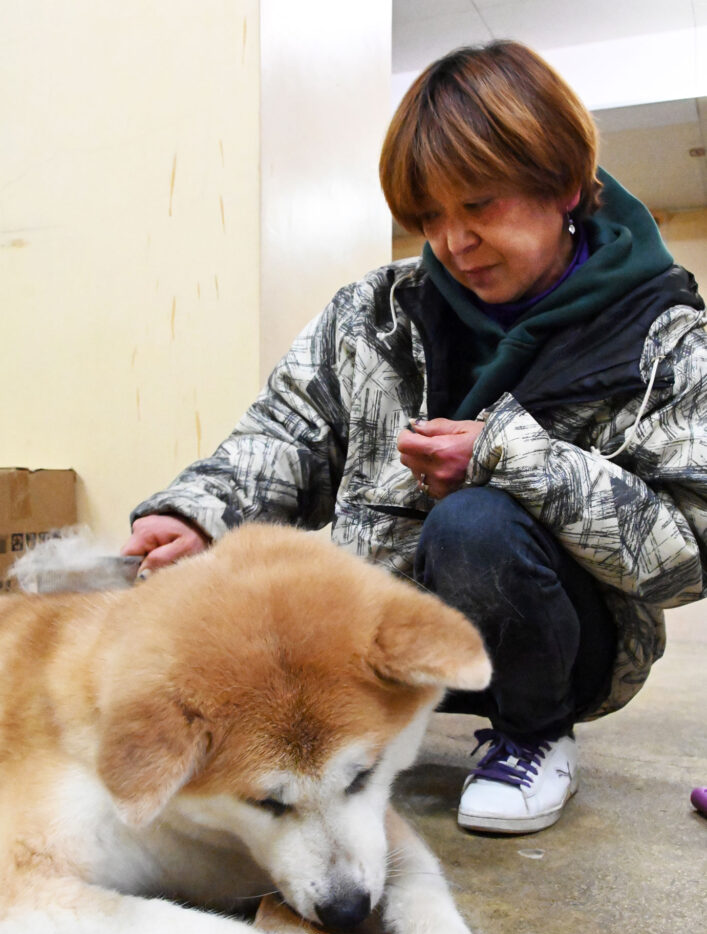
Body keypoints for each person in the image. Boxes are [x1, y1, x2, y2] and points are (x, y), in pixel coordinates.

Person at [123, 41, 707, 835]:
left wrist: (505, 457)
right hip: (381, 636)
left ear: (565, 187)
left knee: (476, 521)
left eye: (480, 206)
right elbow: (287, 434)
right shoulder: (375, 311)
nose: (451, 243)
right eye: (428, 216)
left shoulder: (662, 339)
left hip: (565, 646)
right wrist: (197, 514)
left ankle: (531, 734)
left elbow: (687, 554)